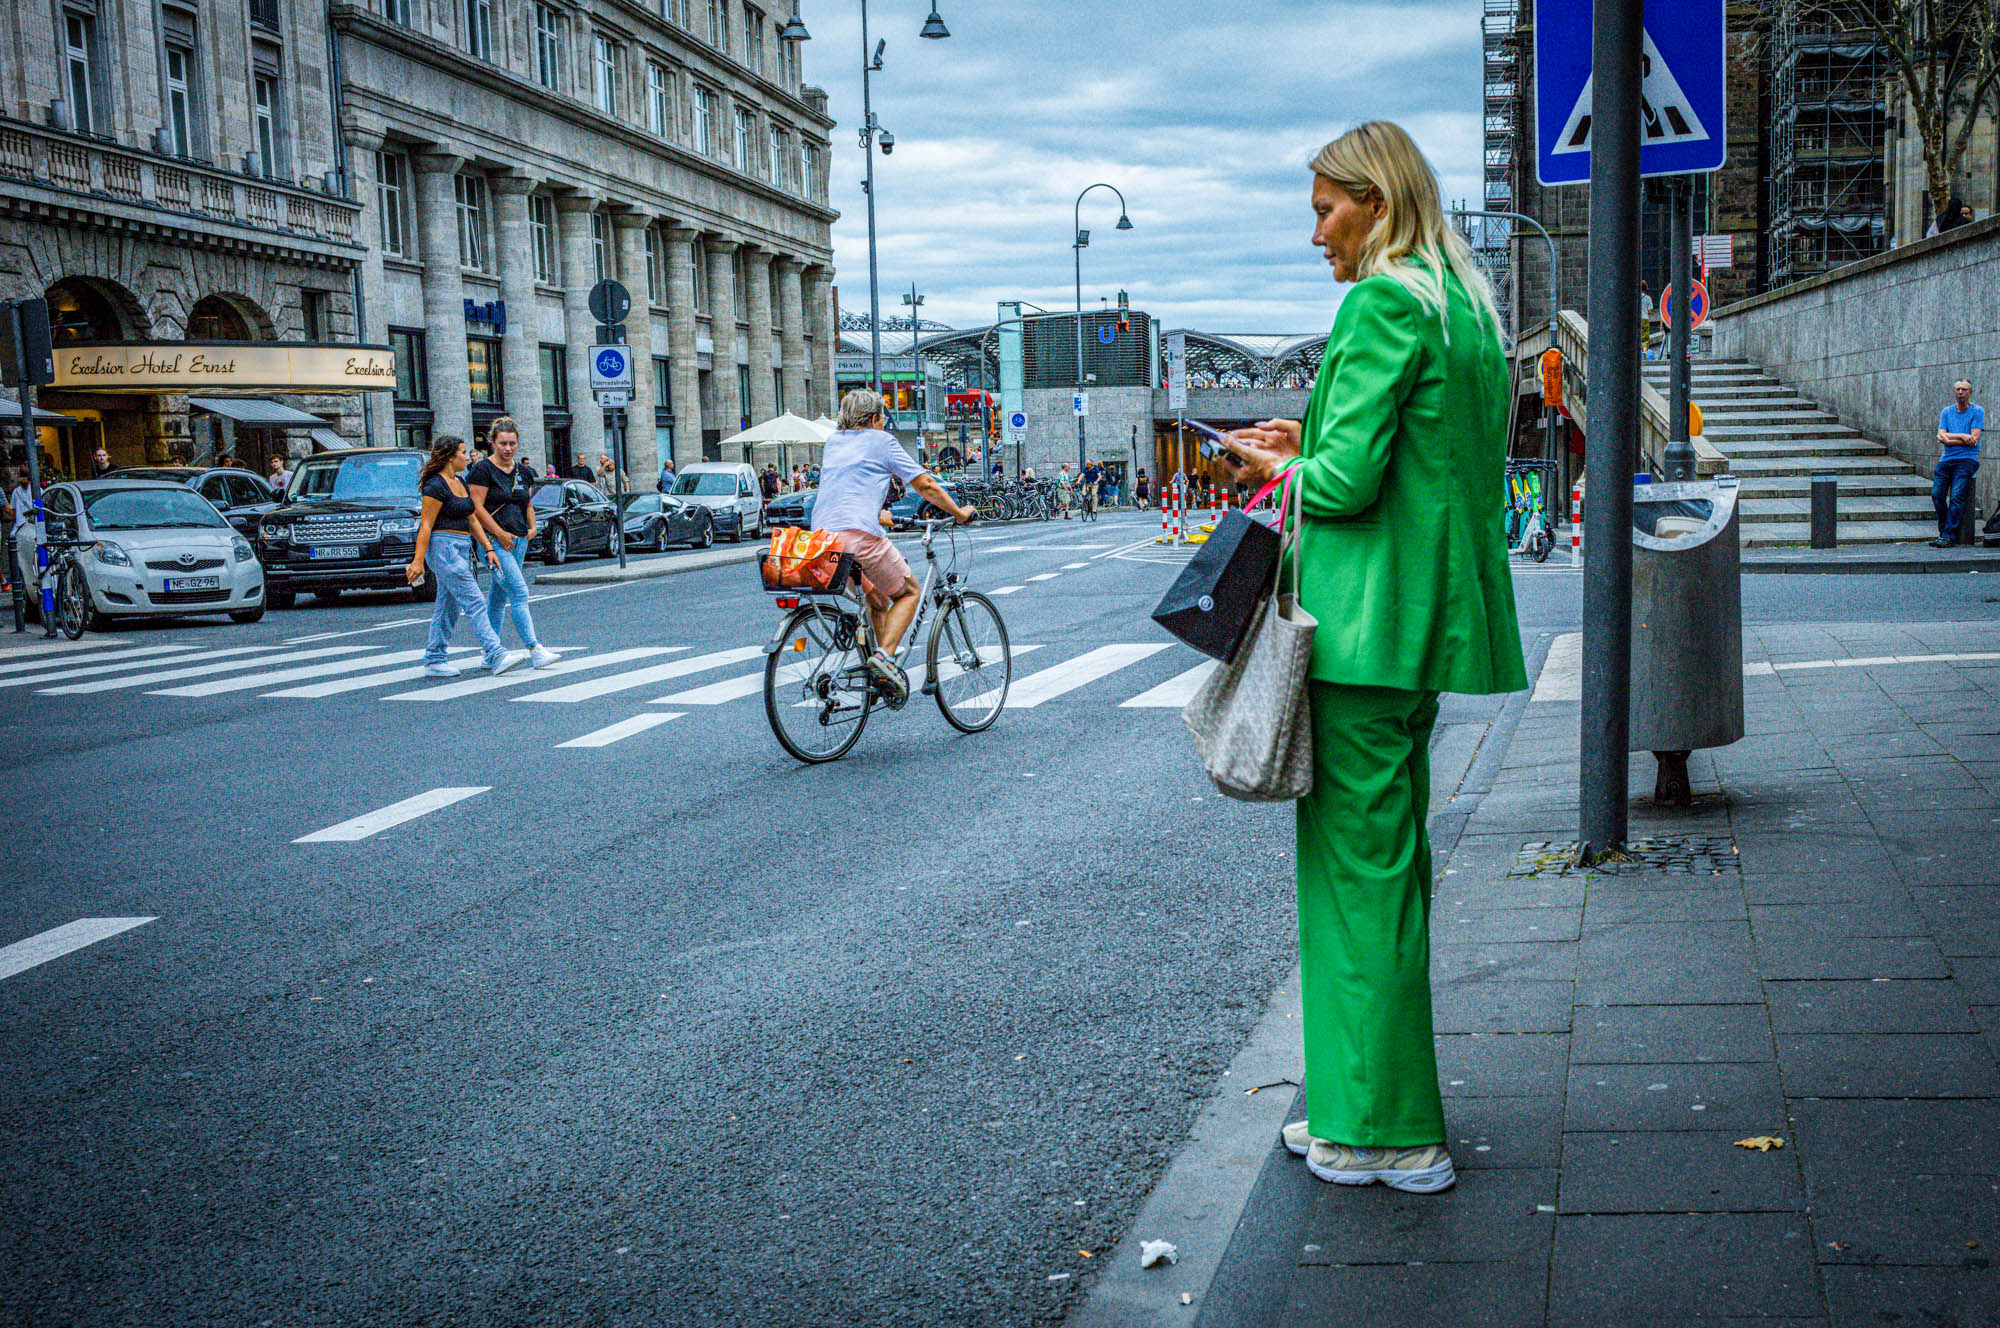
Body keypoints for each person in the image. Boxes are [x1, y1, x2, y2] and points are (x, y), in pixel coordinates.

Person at [1221, 120, 1526, 1195]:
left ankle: (1387, 1128)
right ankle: (1357, 1101)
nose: (1316, 234)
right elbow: (1422, 466)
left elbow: (1346, 486)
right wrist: (1304, 444)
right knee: (1384, 873)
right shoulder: (1465, 312)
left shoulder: (1380, 301)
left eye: (1323, 209)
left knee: (1355, 882)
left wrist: (1285, 461)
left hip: (1357, 635)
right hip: (1423, 630)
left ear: (1377, 204)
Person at [811, 389, 975, 703]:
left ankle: (877, 676)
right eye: (883, 417)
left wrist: (877, 513)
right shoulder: (882, 441)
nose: (884, 423)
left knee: (875, 598)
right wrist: (958, 512)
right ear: (874, 418)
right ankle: (884, 659)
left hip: (822, 541)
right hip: (858, 537)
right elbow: (924, 484)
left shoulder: (833, 442)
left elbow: (847, 490)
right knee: (909, 591)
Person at [404, 436, 524, 679]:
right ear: (450, 457)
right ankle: (495, 653)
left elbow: (471, 519)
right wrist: (418, 560)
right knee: (474, 600)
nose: (467, 456)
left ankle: (435, 659)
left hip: (460, 547)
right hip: (443, 547)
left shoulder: (458, 481)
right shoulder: (435, 486)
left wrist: (489, 548)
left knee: (448, 605)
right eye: (462, 452)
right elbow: (425, 525)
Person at [467, 417, 559, 668]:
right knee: (519, 591)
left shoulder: (523, 471)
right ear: (493, 443)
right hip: (495, 542)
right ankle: (534, 649)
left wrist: (532, 528)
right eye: (503, 443)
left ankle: (490, 651)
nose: (508, 448)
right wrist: (498, 534)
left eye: (512, 443)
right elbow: (475, 508)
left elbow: (526, 502)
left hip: (519, 539)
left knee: (498, 597)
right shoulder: (482, 470)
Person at [1931, 378, 1984, 547]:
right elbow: (1940, 436)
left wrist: (1949, 438)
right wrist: (1962, 436)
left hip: (1967, 460)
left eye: (1964, 389)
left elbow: (1974, 439)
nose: (1961, 392)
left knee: (1956, 497)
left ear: (1970, 393)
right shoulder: (1946, 412)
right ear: (1954, 392)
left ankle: (1948, 535)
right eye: (1958, 389)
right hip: (1947, 459)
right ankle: (1944, 531)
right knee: (1937, 494)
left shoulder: (1977, 411)